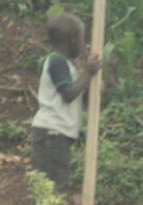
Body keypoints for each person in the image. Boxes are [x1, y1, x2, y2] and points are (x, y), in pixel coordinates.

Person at [29, 13, 101, 195]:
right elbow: (68, 94)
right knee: (54, 186)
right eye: (82, 38)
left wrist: (90, 85)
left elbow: (74, 94)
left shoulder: (66, 64)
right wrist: (88, 73)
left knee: (51, 185)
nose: (83, 44)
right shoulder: (57, 61)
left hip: (55, 134)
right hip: (52, 134)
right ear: (73, 38)